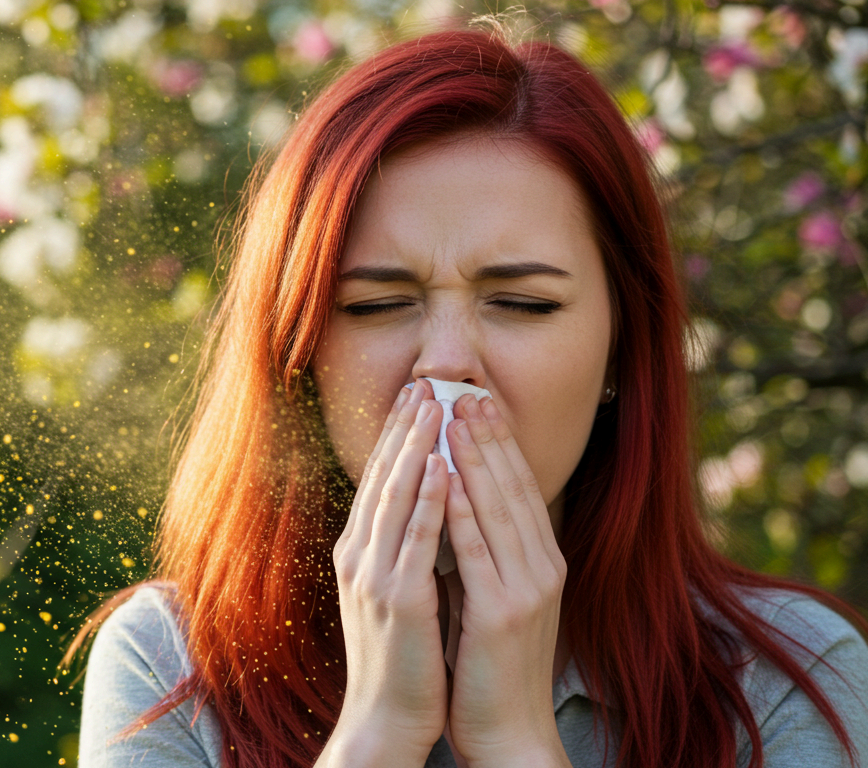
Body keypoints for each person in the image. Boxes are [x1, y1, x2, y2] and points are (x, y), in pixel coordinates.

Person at [61, 27, 868, 768]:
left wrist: (516, 741)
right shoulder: (175, 668)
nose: (445, 368)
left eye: (523, 305)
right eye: (374, 306)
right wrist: (377, 734)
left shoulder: (788, 683)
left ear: (623, 345)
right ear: (299, 353)